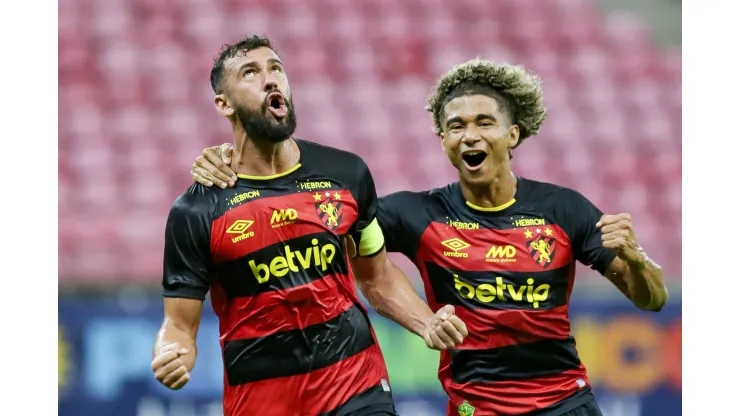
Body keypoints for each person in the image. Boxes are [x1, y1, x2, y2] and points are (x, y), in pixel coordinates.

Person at [191, 58, 669, 416]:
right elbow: (320, 203)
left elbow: (651, 300)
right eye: (455, 126)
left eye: (484, 123)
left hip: (565, 402)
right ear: (442, 140)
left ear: (514, 134)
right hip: (474, 407)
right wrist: (235, 157)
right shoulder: (417, 214)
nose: (469, 135)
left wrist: (638, 257)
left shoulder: (563, 209)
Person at [150, 35, 469, 416]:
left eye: (276, 69)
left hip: (356, 385)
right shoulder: (196, 210)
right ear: (224, 104)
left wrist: (426, 322)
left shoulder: (346, 174)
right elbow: (178, 324)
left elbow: (378, 277)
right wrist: (173, 352)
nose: (271, 79)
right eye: (251, 73)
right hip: (263, 400)